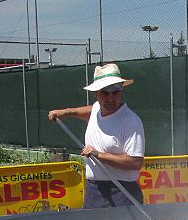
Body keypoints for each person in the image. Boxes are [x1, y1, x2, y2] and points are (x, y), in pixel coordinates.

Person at [48, 63, 145, 208]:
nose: (111, 98)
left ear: (121, 91)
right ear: (96, 94)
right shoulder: (97, 109)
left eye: (115, 92)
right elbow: (91, 111)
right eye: (105, 93)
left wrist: (98, 155)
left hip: (122, 191)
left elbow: (135, 163)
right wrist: (67, 112)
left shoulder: (131, 122)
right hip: (94, 190)